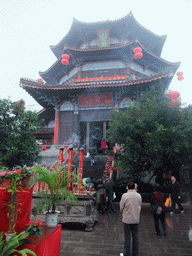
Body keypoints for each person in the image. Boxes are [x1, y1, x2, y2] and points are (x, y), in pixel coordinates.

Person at [120, 182, 142, 256]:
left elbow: (121, 207)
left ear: (128, 187)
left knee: (127, 237)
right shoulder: (139, 195)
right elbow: (140, 205)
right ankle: (135, 253)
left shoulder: (125, 195)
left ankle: (126, 253)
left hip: (127, 219)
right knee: (135, 237)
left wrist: (122, 213)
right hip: (136, 219)